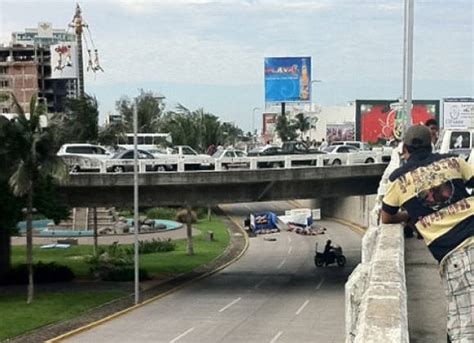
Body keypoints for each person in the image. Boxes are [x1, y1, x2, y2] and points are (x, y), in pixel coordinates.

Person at [380, 124, 474, 343]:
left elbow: (386, 216)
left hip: (456, 255)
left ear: (404, 148)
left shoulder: (399, 180)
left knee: (464, 329)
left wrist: (411, 217)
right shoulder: (454, 161)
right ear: (432, 144)